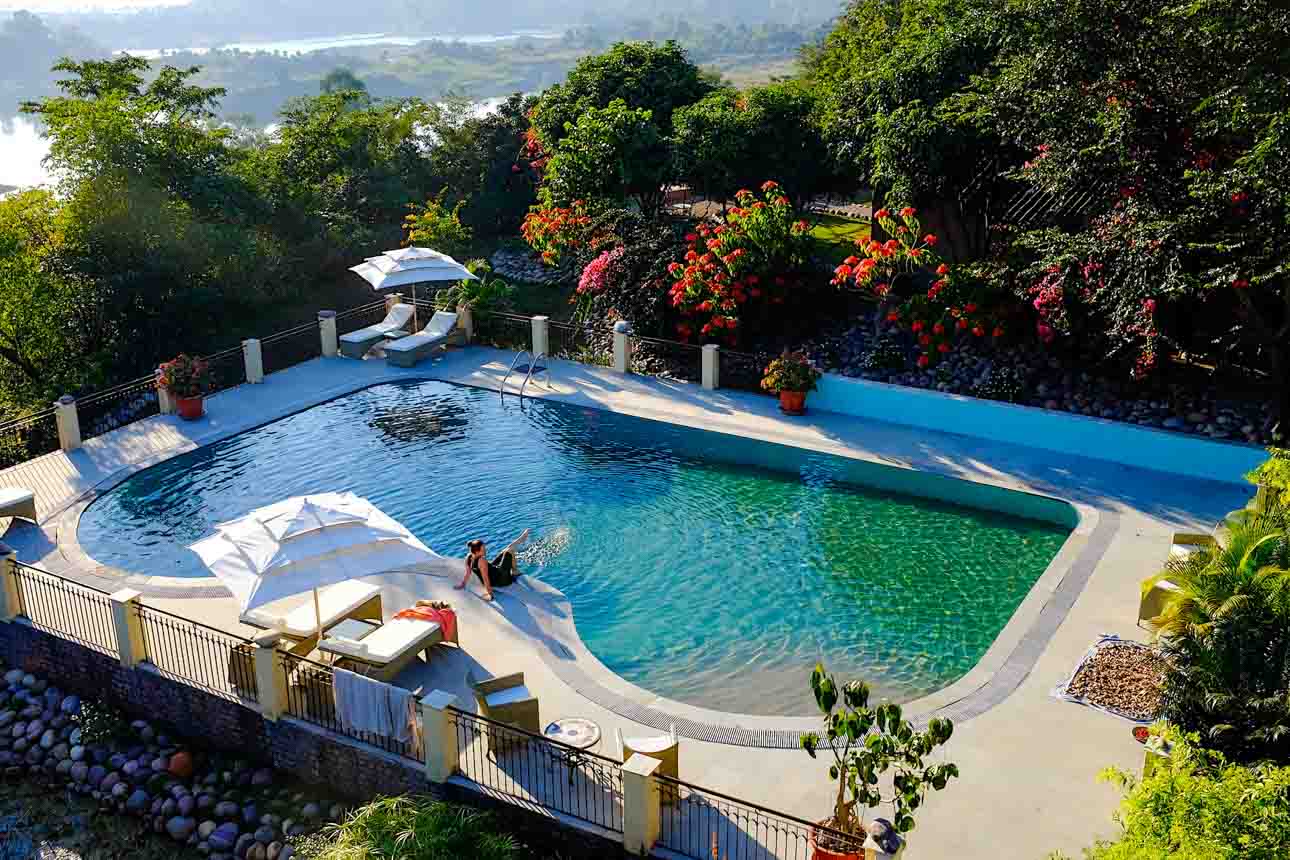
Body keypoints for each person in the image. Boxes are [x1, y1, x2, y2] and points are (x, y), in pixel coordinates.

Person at [455, 528, 530, 601]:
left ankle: (522, 537)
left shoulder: (468, 557)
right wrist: (490, 594)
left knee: (505, 550)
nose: (485, 550)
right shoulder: (481, 560)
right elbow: (485, 578)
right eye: (483, 549)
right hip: (501, 579)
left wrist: (463, 584)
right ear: (477, 552)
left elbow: (468, 573)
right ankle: (515, 571)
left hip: (494, 574)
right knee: (509, 551)